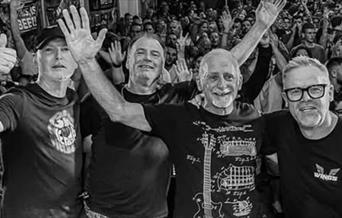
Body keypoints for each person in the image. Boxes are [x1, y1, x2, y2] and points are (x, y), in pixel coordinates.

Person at [57, 1, 286, 217]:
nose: (147, 58)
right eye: (140, 52)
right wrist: (85, 61)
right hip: (102, 212)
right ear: (126, 61)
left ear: (162, 65)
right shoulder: (100, 98)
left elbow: (222, 66)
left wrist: (260, 27)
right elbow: (72, 154)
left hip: (154, 213)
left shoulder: (174, 99)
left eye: (155, 54)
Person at [0, 27, 84, 218]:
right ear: (35, 60)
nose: (58, 56)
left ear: (76, 61)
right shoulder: (17, 101)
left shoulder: (75, 101)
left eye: (66, 49)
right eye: (49, 50)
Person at [262, 56, 342, 217]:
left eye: (315, 89)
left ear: (331, 93)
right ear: (285, 99)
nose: (306, 98)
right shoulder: (277, 125)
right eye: (295, 91)